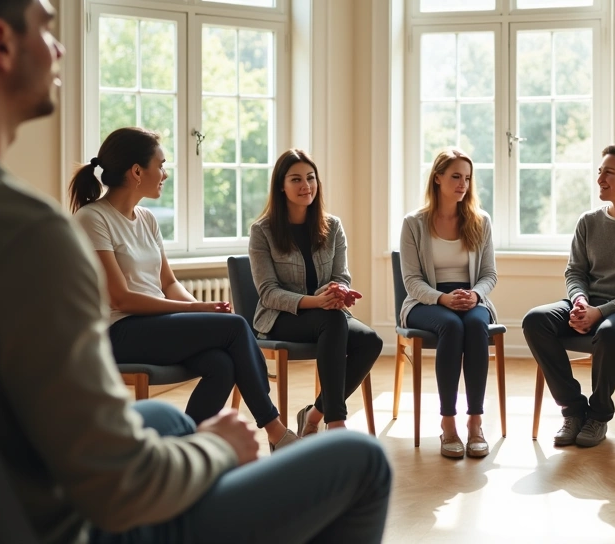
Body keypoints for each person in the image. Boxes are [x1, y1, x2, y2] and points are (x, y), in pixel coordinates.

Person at [0, 0, 391, 544]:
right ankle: (268, 430)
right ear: (0, 43)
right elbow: (119, 487)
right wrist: (218, 449)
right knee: (365, 464)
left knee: (165, 418)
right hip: (71, 523)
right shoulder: (27, 235)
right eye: (47, 28)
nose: (58, 49)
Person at [71, 127, 299, 450]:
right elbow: (120, 297)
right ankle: (276, 431)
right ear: (137, 171)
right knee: (235, 326)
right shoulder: (92, 219)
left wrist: (204, 311)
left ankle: (185, 448)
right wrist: (197, 310)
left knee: (221, 364)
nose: (165, 174)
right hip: (117, 332)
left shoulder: (147, 219)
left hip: (151, 328)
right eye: (161, 165)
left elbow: (168, 283)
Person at [523, 145, 615, 448]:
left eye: (609, 172)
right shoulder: (588, 221)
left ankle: (599, 415)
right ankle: (573, 410)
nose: (600, 178)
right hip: (590, 304)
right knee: (535, 320)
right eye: (599, 171)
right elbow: (574, 272)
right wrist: (580, 302)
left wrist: (600, 313)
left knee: (610, 331)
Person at [248, 148, 383, 435]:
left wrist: (338, 291)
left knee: (371, 341)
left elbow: (341, 275)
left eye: (310, 178)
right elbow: (268, 293)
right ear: (281, 187)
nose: (305, 185)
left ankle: (314, 414)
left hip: (326, 314)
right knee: (332, 321)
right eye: (295, 179)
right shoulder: (262, 231)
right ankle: (336, 424)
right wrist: (318, 301)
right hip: (280, 318)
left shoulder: (332, 226)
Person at [399, 147, 499, 458]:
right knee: (451, 327)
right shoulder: (414, 223)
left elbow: (489, 274)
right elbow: (412, 281)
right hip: (425, 301)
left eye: (467, 178)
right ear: (438, 178)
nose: (462, 184)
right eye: (456, 176)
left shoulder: (480, 221)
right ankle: (448, 422)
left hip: (470, 298)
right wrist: (441, 297)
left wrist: (476, 295)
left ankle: (475, 421)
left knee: (475, 326)